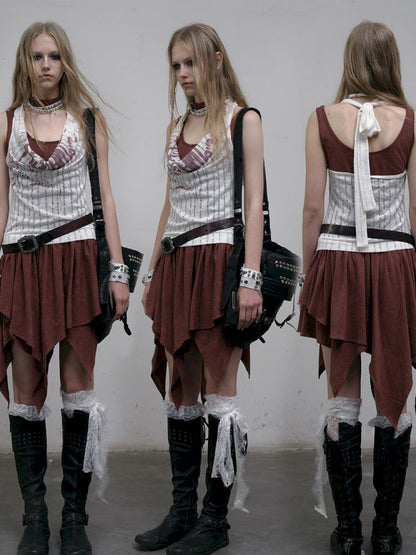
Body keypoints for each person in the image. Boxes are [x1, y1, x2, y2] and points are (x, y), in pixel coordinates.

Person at [0, 21, 129, 555]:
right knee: (28, 392)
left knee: (78, 389)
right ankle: (36, 518)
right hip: (22, 264)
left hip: (77, 262)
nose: (46, 65)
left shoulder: (87, 120)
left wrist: (117, 270)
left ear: (65, 61)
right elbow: (1, 202)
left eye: (54, 55)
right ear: (25, 64)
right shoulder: (7, 123)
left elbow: (107, 198)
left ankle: (74, 516)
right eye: (37, 57)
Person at [135, 23, 264, 555]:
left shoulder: (242, 119)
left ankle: (216, 520)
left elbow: (253, 203)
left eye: (190, 63)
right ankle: (182, 511)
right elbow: (171, 204)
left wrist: (251, 278)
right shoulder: (175, 126)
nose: (183, 74)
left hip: (219, 262)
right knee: (183, 390)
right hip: (177, 263)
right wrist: (151, 272)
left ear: (215, 59)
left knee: (221, 391)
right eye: (176, 66)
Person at [298, 20, 416, 555]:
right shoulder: (410, 123)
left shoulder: (322, 119)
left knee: (340, 393)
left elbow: (312, 209)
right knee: (394, 392)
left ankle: (348, 533)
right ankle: (385, 533)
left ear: (350, 60)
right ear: (391, 61)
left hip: (339, 264)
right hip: (394, 266)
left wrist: (311, 279)